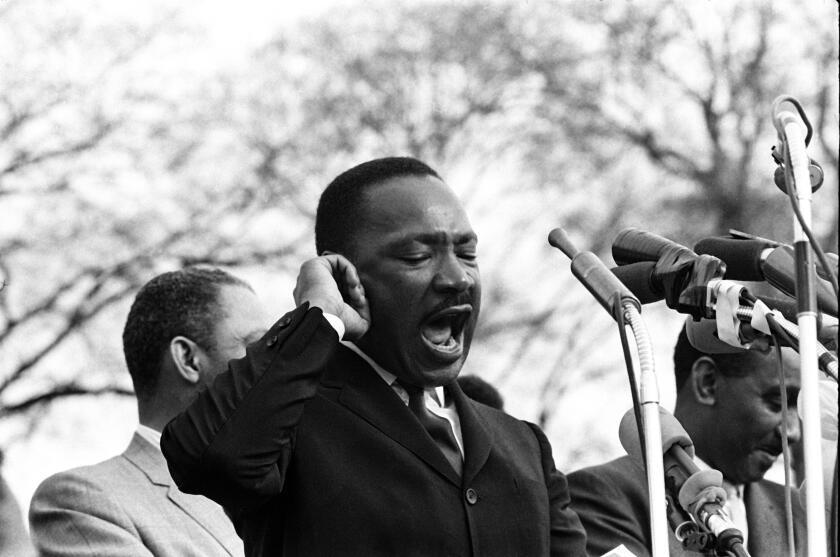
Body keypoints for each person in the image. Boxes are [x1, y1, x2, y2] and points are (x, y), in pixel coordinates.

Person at [161, 157, 587, 556]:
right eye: (418, 257)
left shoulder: (525, 445)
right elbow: (209, 459)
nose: (457, 277)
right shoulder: (291, 421)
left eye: (467, 253)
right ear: (346, 275)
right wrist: (319, 318)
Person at [29, 267, 267, 557]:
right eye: (256, 345)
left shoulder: (290, 491)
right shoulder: (84, 501)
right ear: (189, 360)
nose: (274, 363)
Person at [567, 321, 806, 556]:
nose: (793, 431)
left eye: (801, 409)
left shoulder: (801, 513)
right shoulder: (605, 497)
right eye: (778, 404)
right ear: (707, 382)